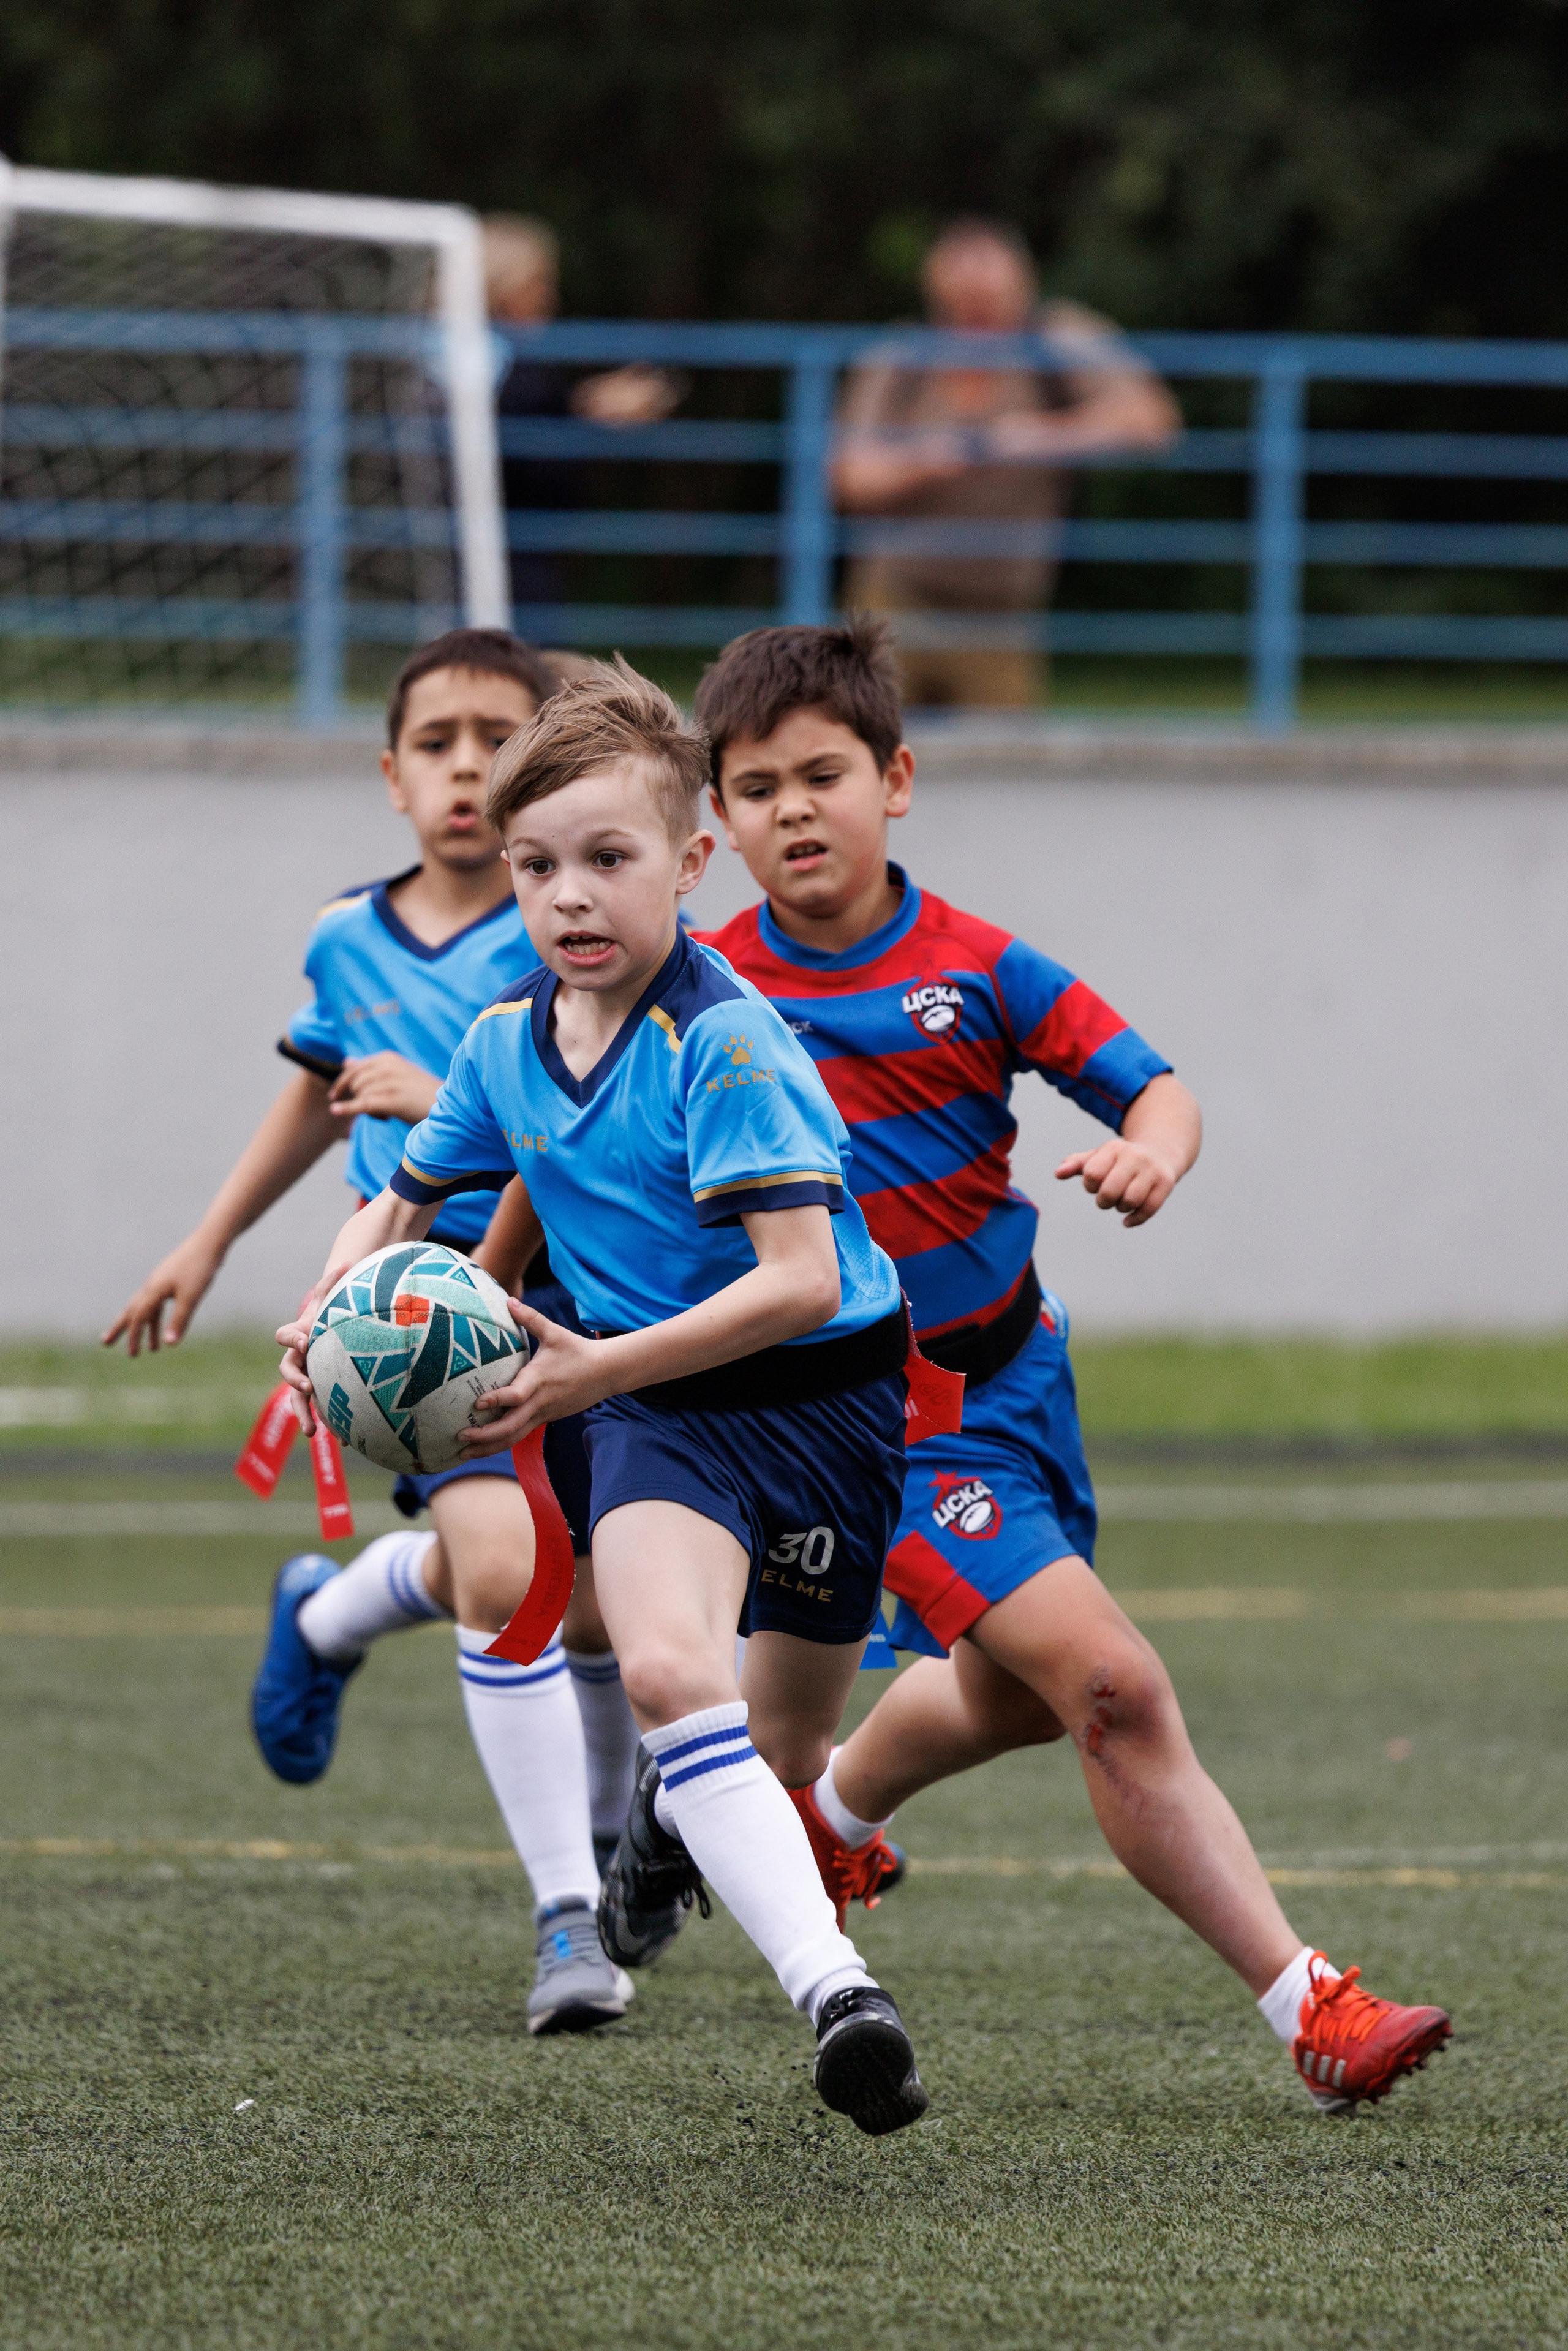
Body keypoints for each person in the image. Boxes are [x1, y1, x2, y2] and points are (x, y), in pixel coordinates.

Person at [688, 616, 1452, 2115]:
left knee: (1022, 1697)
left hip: (1017, 1381)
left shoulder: (977, 965)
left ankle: (828, 1809)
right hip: (863, 1419)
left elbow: (1150, 1083)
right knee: (1110, 1684)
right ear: (713, 823)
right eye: (755, 786)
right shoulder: (704, 993)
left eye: (821, 774)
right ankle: (1310, 2008)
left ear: (894, 779)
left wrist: (1148, 1156)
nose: (791, 808)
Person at [274, 662, 932, 2138]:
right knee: (659, 1675)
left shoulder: (727, 1038)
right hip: (661, 1411)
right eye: (534, 866)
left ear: (691, 866)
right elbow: (402, 1201)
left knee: (782, 1749)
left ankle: (655, 1835)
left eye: (606, 859)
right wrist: (329, 1305)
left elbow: (801, 1282)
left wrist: (587, 1365)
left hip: (822, 1398)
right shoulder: (504, 1040)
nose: (566, 897)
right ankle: (841, 1998)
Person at [103, 627, 639, 2037]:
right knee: (511, 1571)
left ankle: (329, 1610)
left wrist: (444, 1095)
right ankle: (568, 1915)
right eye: (437, 742)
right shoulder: (349, 934)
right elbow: (315, 1093)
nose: (467, 767)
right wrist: (207, 1241)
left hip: (587, 1295)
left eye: (496, 740)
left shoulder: (579, 924)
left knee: (591, 1599)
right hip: (416, 1308)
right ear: (390, 774)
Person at [833, 217, 1179, 709]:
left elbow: (1153, 419)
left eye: (990, 299)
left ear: (1025, 286)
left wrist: (1043, 435)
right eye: (962, 301)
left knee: (1007, 774)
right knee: (865, 760)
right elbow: (848, 476)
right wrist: (924, 461)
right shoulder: (900, 356)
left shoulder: (1058, 339)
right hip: (893, 605)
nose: (977, 316)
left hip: (1003, 615)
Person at [483, 217, 679, 622]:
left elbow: (534, 419)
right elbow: (524, 454)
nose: (548, 297)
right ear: (501, 285)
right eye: (538, 282)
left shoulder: (514, 363)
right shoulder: (490, 362)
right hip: (513, 549)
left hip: (529, 546)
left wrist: (585, 408)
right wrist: (589, 417)